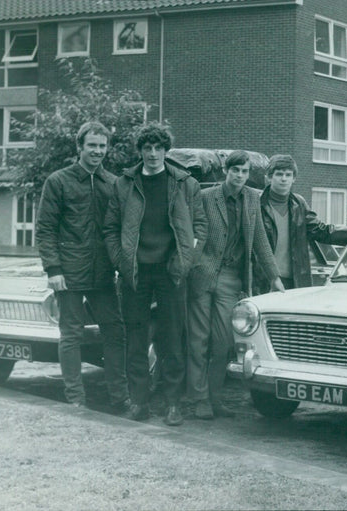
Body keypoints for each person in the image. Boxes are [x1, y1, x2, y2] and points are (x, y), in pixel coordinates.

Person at [104, 123, 207, 426]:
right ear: (141, 151)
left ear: (165, 150)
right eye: (147, 148)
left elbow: (199, 227)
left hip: (171, 272)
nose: (152, 154)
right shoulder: (124, 184)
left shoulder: (185, 183)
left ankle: (173, 404)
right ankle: (139, 402)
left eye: (158, 148)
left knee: (172, 338)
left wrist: (185, 260)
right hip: (135, 273)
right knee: (135, 338)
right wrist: (122, 261)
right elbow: (110, 229)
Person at [35, 121, 129, 412]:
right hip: (69, 273)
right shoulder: (58, 181)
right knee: (71, 335)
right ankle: (75, 398)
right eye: (92, 146)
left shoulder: (113, 184)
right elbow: (45, 229)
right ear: (80, 147)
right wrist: (54, 270)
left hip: (103, 274)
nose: (97, 151)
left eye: (102, 146)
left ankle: (119, 396)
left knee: (114, 332)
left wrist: (120, 266)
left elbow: (120, 229)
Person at [187, 151, 285, 420]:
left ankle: (215, 397)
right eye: (235, 170)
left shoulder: (253, 198)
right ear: (226, 172)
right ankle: (199, 399)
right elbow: (195, 233)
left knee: (223, 341)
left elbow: (260, 241)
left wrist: (274, 277)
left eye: (244, 171)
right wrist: (193, 265)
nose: (240, 176)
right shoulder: (207, 197)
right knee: (199, 339)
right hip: (203, 273)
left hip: (231, 277)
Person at [254, 154, 347, 292]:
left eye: (288, 174)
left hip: (295, 281)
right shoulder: (256, 203)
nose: (284, 179)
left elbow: (320, 230)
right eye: (279, 174)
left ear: (294, 179)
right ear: (269, 177)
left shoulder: (299, 204)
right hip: (264, 279)